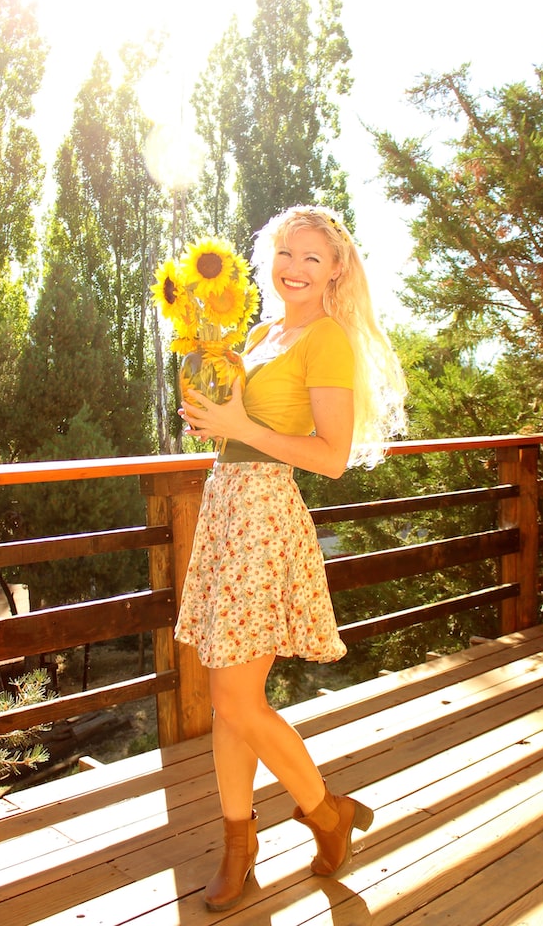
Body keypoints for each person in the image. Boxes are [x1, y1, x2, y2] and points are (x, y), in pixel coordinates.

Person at [175, 204, 407, 911]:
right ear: (267, 261)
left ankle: (323, 811)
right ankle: (240, 843)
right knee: (227, 703)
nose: (296, 268)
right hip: (225, 509)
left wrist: (240, 425)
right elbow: (239, 433)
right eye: (285, 254)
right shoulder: (261, 332)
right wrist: (213, 419)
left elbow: (331, 458)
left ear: (336, 268)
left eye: (312, 257)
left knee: (235, 698)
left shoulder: (327, 339)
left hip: (265, 518)